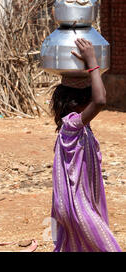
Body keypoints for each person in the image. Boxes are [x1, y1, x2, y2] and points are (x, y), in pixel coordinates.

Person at [50, 38, 122, 252]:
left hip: (78, 205)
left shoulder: (78, 129)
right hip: (78, 208)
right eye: (87, 99)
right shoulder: (73, 124)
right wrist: (92, 62)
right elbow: (100, 101)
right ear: (79, 103)